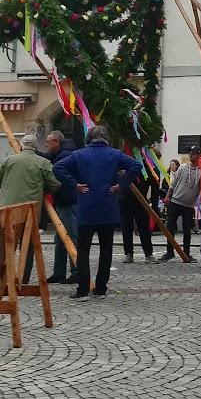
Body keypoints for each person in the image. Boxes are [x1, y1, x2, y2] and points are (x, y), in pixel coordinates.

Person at [56, 125, 141, 300]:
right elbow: (135, 165)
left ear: (89, 138)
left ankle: (82, 288)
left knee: (83, 250)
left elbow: (58, 168)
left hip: (86, 208)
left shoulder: (78, 155)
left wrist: (75, 185)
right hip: (107, 208)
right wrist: (121, 184)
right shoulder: (114, 154)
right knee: (106, 250)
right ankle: (101, 287)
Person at [0, 134, 61, 287]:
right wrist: (40, 187)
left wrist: (9, 184)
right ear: (35, 147)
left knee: (2, 244)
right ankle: (23, 279)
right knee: (27, 246)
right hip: (30, 212)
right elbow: (55, 185)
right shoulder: (43, 162)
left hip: (7, 210)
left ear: (21, 146)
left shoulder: (9, 160)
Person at [43, 130, 79, 283]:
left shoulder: (65, 156)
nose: (47, 144)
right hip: (63, 201)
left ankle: (77, 271)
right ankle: (59, 272)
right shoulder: (60, 154)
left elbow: (55, 173)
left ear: (56, 142)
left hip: (69, 201)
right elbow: (48, 158)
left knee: (70, 237)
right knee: (60, 238)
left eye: (48, 142)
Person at [161, 147, 201, 261]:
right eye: (190, 153)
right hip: (176, 201)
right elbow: (173, 183)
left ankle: (186, 253)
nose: (190, 155)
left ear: (199, 155)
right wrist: (168, 196)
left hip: (189, 205)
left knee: (187, 230)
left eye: (193, 154)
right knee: (170, 227)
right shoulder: (183, 168)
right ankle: (169, 252)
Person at [119, 169, 155, 264]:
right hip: (125, 200)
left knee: (144, 228)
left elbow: (153, 182)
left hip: (141, 200)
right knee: (126, 227)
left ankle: (148, 253)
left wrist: (154, 205)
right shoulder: (123, 162)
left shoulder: (145, 163)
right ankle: (128, 253)